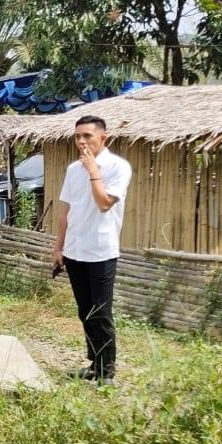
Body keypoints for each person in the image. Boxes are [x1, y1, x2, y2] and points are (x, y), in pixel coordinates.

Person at [52, 115, 131, 385]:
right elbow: (66, 210)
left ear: (103, 138)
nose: (82, 142)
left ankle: (107, 371)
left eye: (88, 136)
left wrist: (93, 171)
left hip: (101, 251)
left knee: (101, 312)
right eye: (77, 137)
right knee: (84, 310)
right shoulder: (73, 169)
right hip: (74, 250)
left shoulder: (118, 167)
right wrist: (58, 246)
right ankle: (94, 364)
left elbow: (104, 203)